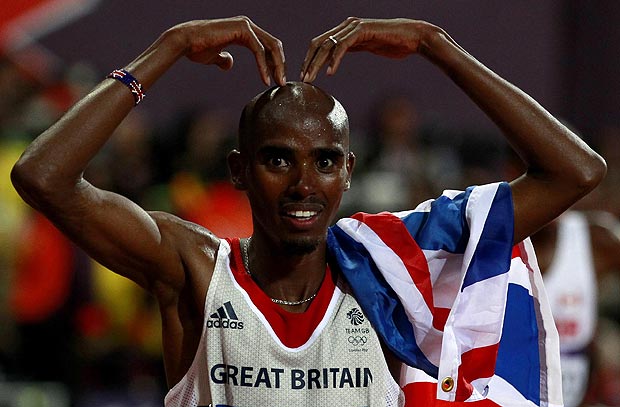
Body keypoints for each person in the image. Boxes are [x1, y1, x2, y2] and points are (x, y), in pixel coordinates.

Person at [10, 16, 606, 406]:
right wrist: (169, 48)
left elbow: (575, 171)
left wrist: (437, 46)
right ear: (239, 170)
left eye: (324, 162)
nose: (303, 184)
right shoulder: (194, 270)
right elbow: (43, 176)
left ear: (348, 172)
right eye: (277, 161)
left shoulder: (390, 271)